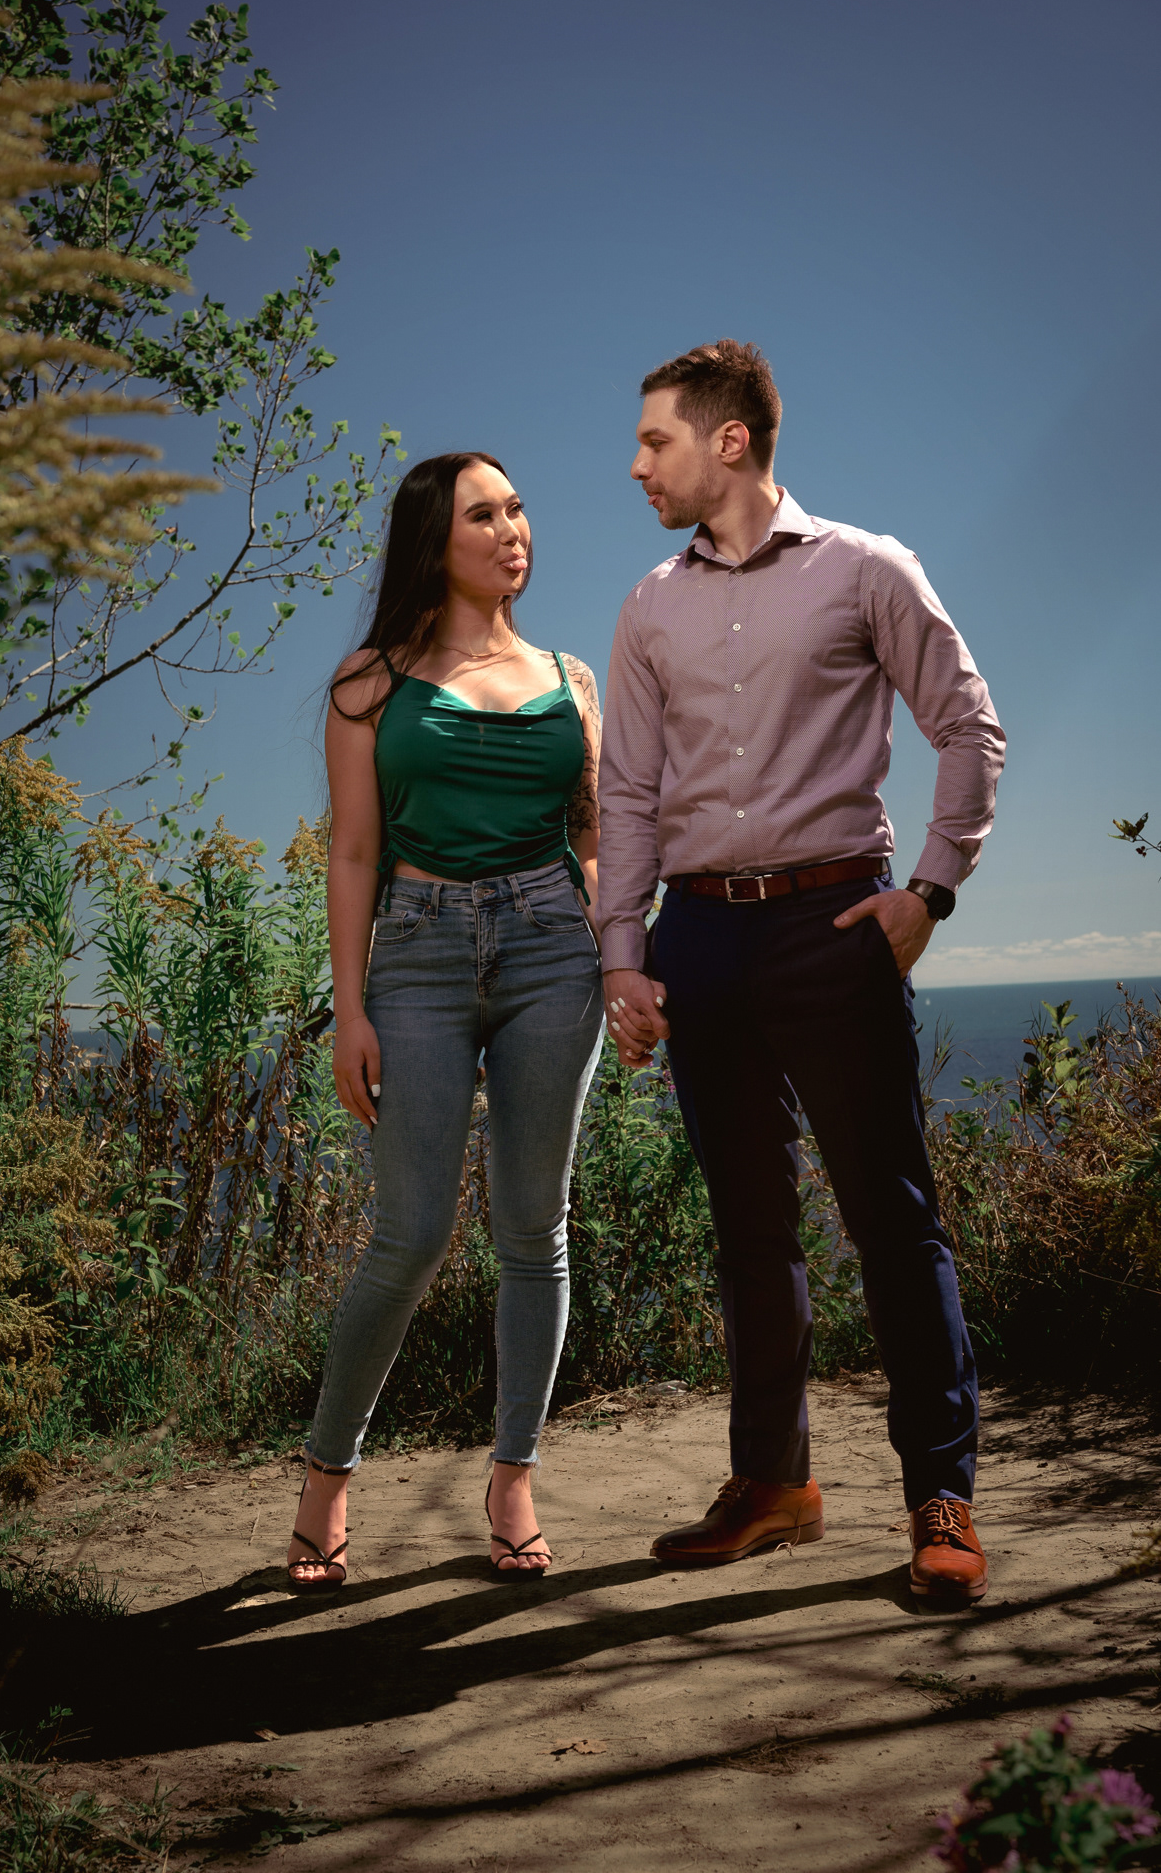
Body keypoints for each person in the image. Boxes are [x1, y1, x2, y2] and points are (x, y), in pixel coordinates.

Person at [598, 342, 1005, 1603]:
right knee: (747, 1227)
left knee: (890, 1217)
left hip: (834, 920)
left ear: (729, 441)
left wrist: (926, 891)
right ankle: (772, 1484)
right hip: (699, 939)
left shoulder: (866, 569)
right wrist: (623, 950)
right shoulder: (648, 604)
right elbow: (626, 789)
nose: (635, 463)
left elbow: (966, 725)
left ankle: (939, 1497)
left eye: (655, 439)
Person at [286, 451, 605, 1588]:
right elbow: (356, 850)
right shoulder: (369, 682)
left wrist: (620, 956)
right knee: (408, 1233)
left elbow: (593, 837)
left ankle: (511, 1475)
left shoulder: (569, 679)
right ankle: (327, 1474)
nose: (513, 528)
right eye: (485, 513)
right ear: (437, 536)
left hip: (550, 953)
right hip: (415, 956)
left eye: (519, 506)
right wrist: (350, 1009)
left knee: (533, 1228)